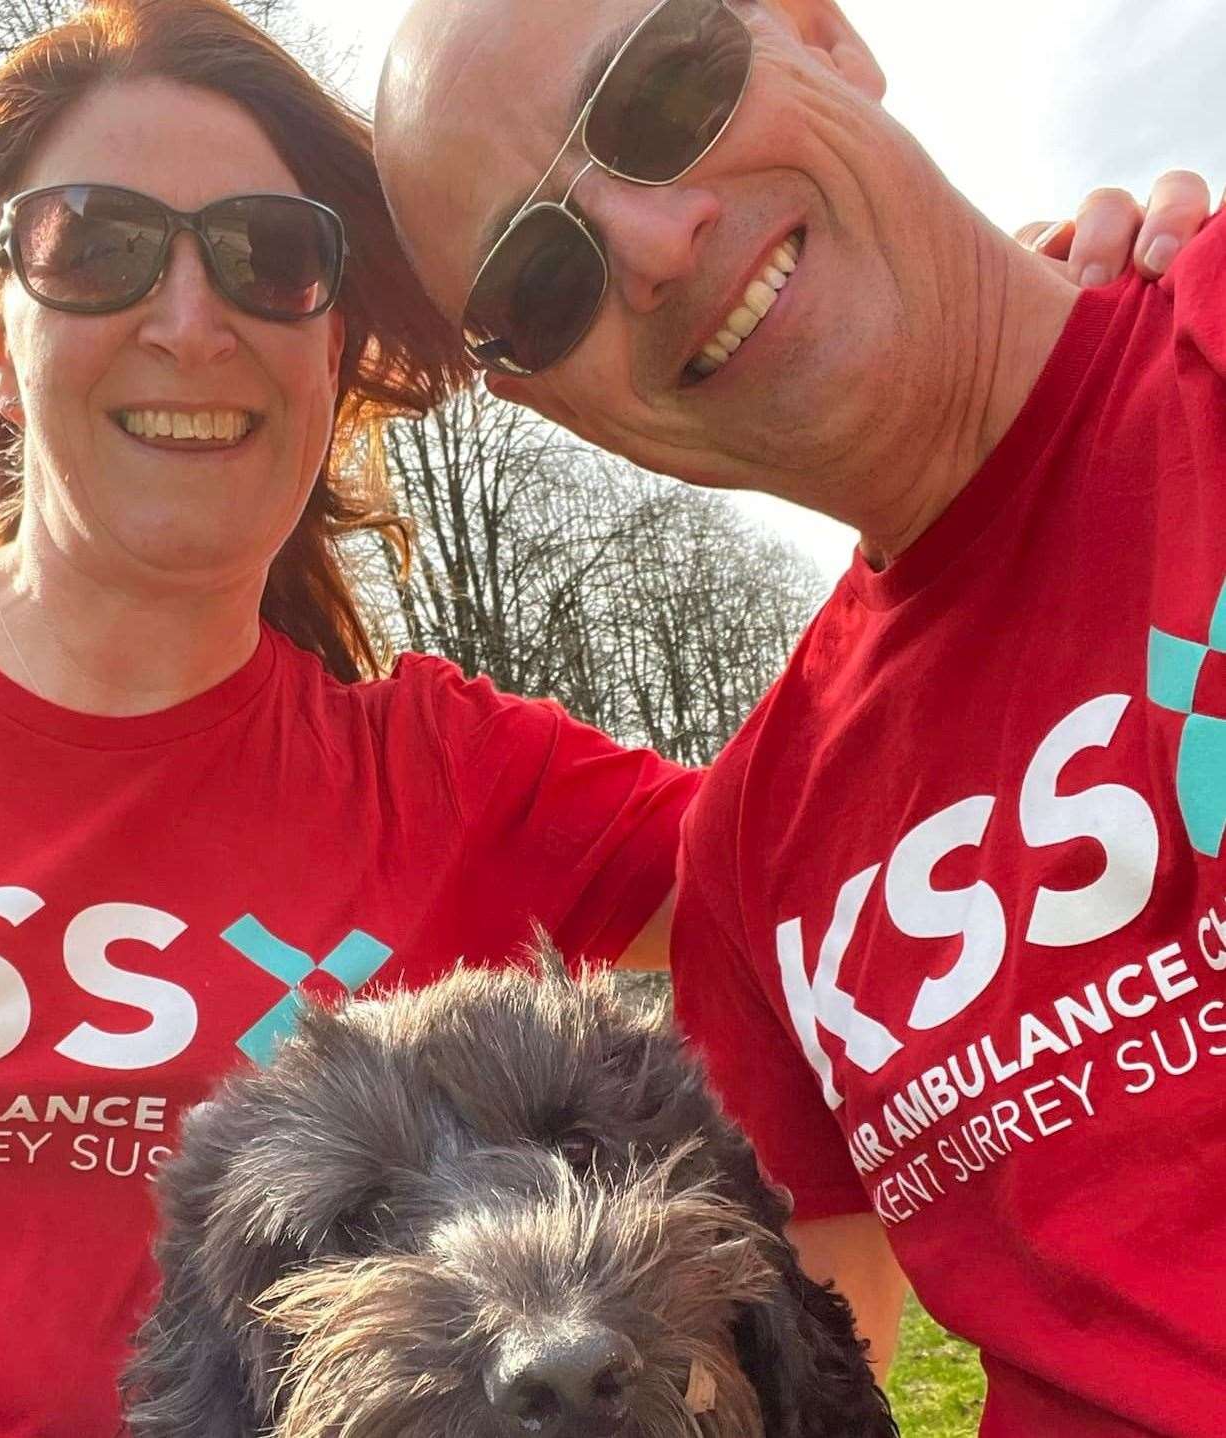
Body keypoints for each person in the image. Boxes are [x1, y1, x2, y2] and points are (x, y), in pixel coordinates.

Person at [0, 0, 1191, 1433]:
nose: (189, 317)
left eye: (271, 258)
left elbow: (863, 881)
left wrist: (1044, 379)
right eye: (99, 247)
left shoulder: (471, 777)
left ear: (335, 351)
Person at [372, 1, 1224, 1434]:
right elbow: (794, 1377)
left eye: (665, 92)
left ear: (826, 38)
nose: (650, 246)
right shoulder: (757, 851)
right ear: (552, 404)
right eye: (540, 282)